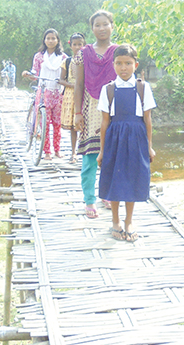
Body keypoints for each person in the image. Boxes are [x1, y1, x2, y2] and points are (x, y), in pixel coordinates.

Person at [97, 44, 156, 242]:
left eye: (128, 63)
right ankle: (115, 220)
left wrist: (149, 146)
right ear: (113, 65)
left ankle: (129, 220)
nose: (124, 68)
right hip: (115, 138)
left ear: (135, 64)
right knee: (115, 178)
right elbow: (105, 122)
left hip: (136, 138)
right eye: (119, 63)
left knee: (132, 178)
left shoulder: (143, 88)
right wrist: (101, 151)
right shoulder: (108, 90)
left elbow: (147, 120)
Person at [73, 10, 118, 219]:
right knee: (90, 157)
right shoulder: (84, 53)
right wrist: (77, 113)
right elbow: (79, 84)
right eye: (97, 25)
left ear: (112, 26)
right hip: (90, 110)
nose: (101, 28)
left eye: (105, 24)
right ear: (92, 29)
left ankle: (107, 194)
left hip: (114, 108)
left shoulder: (119, 52)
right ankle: (89, 200)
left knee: (111, 155)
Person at [22, 29, 68, 160]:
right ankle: (47, 152)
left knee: (57, 123)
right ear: (44, 40)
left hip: (58, 93)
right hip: (43, 92)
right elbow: (34, 72)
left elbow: (66, 75)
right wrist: (28, 74)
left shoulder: (63, 58)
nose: (51, 41)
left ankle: (57, 150)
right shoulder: (39, 56)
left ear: (58, 40)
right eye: (48, 38)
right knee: (45, 124)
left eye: (53, 38)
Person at [58, 32, 86, 164]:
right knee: (73, 125)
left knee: (86, 123)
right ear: (71, 46)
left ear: (84, 45)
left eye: (80, 44)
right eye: (75, 45)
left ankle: (86, 152)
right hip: (70, 94)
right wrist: (72, 85)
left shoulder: (87, 61)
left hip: (85, 93)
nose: (78, 47)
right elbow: (61, 80)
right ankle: (73, 153)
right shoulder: (67, 61)